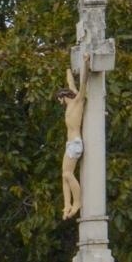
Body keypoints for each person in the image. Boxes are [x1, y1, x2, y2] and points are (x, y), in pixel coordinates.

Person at [57, 54, 90, 219]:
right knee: (64, 174)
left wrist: (86, 63)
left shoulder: (77, 101)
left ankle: (77, 202)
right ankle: (67, 205)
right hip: (70, 144)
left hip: (75, 143)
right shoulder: (71, 100)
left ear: (63, 97)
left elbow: (83, 83)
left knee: (68, 174)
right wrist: (67, 67)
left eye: (59, 99)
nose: (59, 102)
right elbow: (71, 82)